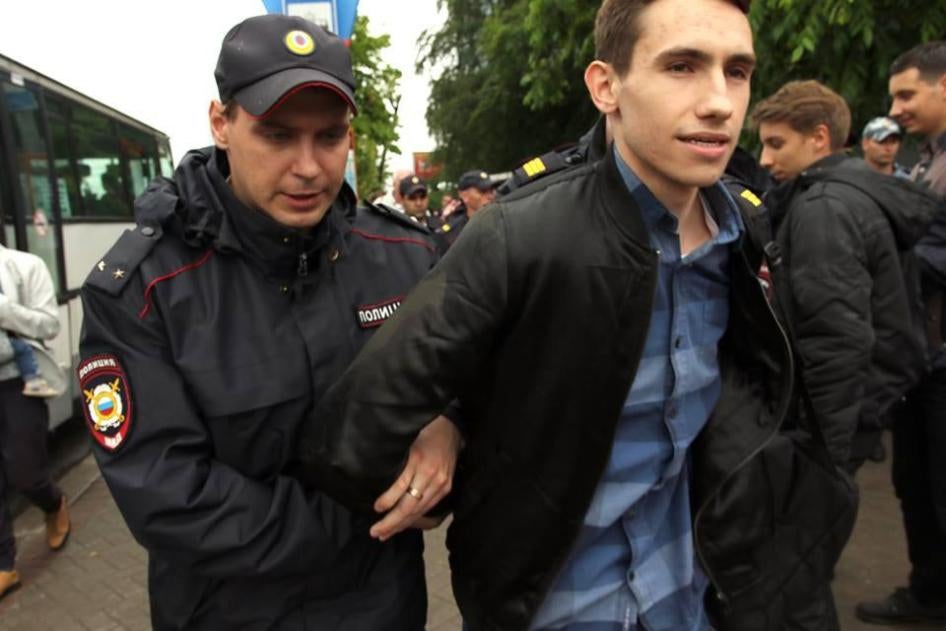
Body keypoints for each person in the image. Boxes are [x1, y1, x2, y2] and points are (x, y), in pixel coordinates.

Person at [299, 1, 857, 629]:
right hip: (554, 607)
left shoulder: (744, 230)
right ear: (605, 85)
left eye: (736, 71)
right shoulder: (522, 233)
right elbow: (353, 434)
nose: (720, 102)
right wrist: (450, 454)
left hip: (698, 599)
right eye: (681, 66)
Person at [77, 15, 460, 630]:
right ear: (222, 124)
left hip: (387, 609)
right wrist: (373, 514)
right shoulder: (143, 291)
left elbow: (473, 376)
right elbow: (171, 498)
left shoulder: (406, 257)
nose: (308, 166)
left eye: (329, 137)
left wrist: (451, 427)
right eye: (278, 136)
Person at [752, 79, 940, 629]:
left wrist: (823, 453)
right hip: (858, 411)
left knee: (795, 578)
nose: (765, 159)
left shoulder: (825, 209)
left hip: (832, 424)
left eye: (776, 144)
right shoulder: (850, 194)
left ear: (819, 138)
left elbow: (836, 342)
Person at [856, 40, 946, 627]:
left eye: (907, 94)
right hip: (925, 356)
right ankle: (929, 593)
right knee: (916, 483)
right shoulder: (926, 159)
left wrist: (876, 261)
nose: (897, 108)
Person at [0, 243, 70, 600]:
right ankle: (4, 565)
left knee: (25, 472)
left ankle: (53, 503)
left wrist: (3, 310)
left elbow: (49, 323)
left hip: (20, 384)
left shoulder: (24, 266)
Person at [434, 170, 495, 249]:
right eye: (482, 191)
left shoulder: (505, 224)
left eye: (491, 191)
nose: (490, 196)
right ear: (464, 195)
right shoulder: (451, 234)